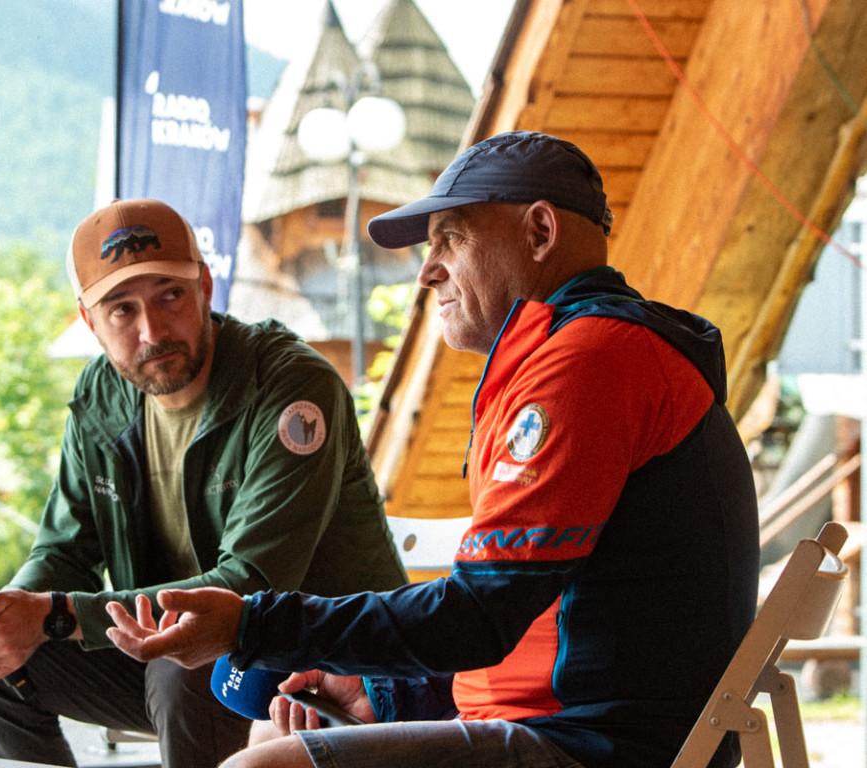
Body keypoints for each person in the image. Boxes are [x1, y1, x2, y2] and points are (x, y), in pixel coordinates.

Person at [105, 132, 761, 768]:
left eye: (451, 237)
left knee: (262, 767)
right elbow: (540, 625)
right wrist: (390, 691)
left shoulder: (588, 362)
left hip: (593, 747)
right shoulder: (589, 352)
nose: (427, 270)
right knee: (267, 743)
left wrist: (250, 624)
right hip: (566, 723)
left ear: (539, 232)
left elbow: (478, 616)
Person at [0, 197, 408, 768]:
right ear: (89, 321)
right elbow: (64, 552)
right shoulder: (100, 395)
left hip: (330, 668)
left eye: (170, 295)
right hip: (177, 660)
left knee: (184, 661)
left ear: (205, 287)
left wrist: (56, 613)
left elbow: (248, 587)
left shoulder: (290, 386)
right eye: (121, 310)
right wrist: (6, 616)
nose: (152, 331)